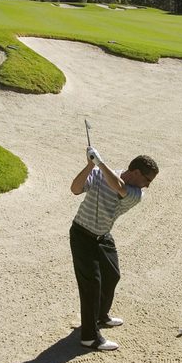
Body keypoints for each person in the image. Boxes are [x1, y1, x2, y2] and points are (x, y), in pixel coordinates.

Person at [69, 146, 159, 351]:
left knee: (112, 275)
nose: (148, 185)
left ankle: (100, 316)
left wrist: (99, 164)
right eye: (148, 180)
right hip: (82, 234)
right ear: (136, 173)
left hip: (103, 236)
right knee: (92, 285)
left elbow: (119, 187)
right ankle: (90, 337)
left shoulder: (136, 194)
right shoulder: (101, 173)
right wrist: (90, 165)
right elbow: (75, 189)